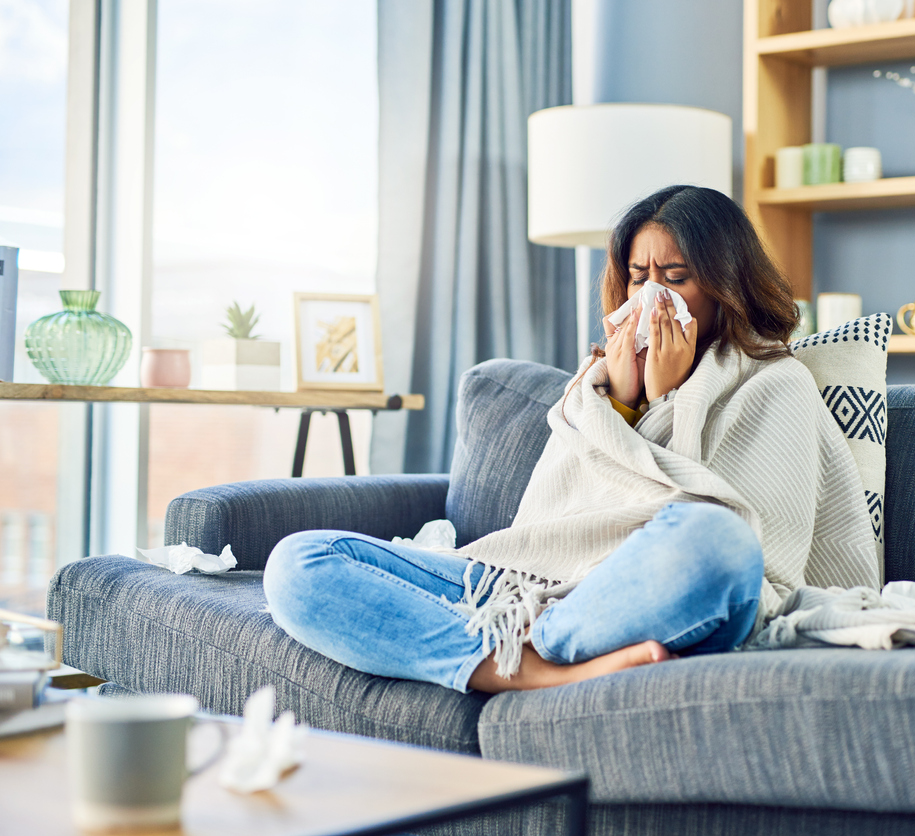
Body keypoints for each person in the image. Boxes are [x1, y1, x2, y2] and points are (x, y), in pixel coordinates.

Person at [263, 185, 879, 694]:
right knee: (300, 562)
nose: (650, 298)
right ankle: (525, 671)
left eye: (676, 277)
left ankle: (531, 651)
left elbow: (759, 556)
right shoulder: (596, 388)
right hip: (524, 585)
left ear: (726, 286)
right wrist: (622, 401)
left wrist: (669, 401)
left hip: (643, 592)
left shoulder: (777, 382)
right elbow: (548, 526)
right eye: (639, 277)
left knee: (717, 542)